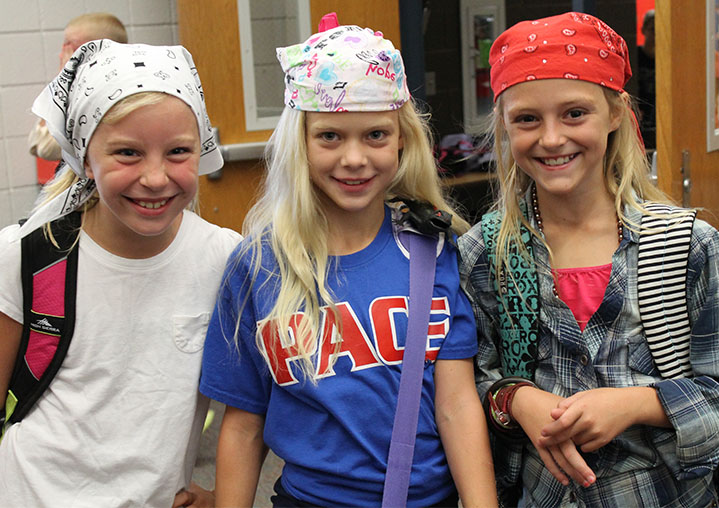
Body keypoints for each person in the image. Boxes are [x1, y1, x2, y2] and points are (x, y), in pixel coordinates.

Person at [199, 15, 498, 508]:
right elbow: (244, 423)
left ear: (402, 139)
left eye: (375, 135)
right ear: (300, 141)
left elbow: (456, 403)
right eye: (330, 137)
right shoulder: (258, 266)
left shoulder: (431, 252)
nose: (354, 158)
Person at [459, 11, 719, 507]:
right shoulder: (484, 254)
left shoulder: (688, 247)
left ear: (616, 113)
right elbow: (460, 390)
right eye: (527, 119)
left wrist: (640, 403)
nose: (552, 138)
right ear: (505, 127)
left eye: (575, 113)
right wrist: (516, 398)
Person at [0, 39, 240, 507]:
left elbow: (257, 400)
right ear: (85, 158)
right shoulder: (28, 255)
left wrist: (224, 495)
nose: (155, 177)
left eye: (178, 151)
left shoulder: (223, 258)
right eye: (127, 153)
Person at [28, 12, 128, 162]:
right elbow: (36, 145)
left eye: (71, 47)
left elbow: (45, 148)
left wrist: (63, 79)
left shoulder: (106, 95)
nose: (62, 55)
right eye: (64, 46)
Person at [637, 9, 656, 150]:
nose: (656, 35)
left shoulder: (667, 60)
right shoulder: (635, 55)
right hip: (639, 114)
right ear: (643, 30)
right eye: (653, 30)